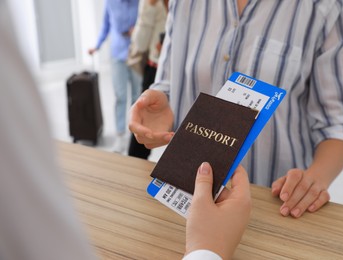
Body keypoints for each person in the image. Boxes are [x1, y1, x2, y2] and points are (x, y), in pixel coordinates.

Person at [0, 3, 250, 259]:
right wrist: (161, 96)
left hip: (271, 200)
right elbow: (166, 78)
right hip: (179, 211)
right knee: (123, 98)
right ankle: (121, 135)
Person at [128, 0, 343, 218]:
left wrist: (314, 179)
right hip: (185, 198)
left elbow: (337, 123)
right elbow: (168, 81)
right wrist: (159, 103)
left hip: (273, 206)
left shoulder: (326, 7)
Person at [88, 0, 142, 154]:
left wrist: (136, 30)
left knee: (137, 97)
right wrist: (96, 46)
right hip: (117, 55)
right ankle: (120, 136)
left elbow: (147, 24)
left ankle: (134, 135)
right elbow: (105, 26)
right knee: (120, 96)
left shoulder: (139, 2)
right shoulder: (110, 2)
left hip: (136, 54)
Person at [128, 0, 169, 159]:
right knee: (143, 127)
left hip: (183, 71)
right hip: (154, 69)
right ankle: (133, 170)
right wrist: (150, 8)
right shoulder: (149, 3)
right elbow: (140, 43)